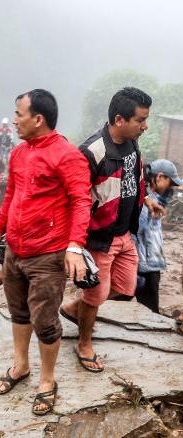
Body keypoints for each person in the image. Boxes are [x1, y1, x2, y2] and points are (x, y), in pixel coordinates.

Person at [0, 89, 91, 415]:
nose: (15, 120)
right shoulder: (19, 153)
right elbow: (11, 195)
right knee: (18, 312)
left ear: (38, 119)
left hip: (47, 255)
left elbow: (81, 201)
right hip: (15, 251)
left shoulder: (67, 155)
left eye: (19, 114)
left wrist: (74, 246)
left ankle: (47, 381)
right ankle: (21, 366)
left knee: (45, 322)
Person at [60, 87, 163, 373]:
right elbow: (77, 200)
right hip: (100, 238)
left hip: (124, 234)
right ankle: (84, 344)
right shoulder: (93, 152)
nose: (145, 126)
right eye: (140, 120)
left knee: (124, 287)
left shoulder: (132, 143)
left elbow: (134, 179)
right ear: (120, 119)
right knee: (95, 295)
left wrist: (147, 200)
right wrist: (75, 246)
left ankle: (73, 309)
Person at [134, 160, 182, 313]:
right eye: (170, 182)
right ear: (160, 177)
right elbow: (138, 233)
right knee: (149, 310)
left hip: (150, 264)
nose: (172, 188)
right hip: (144, 266)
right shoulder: (146, 201)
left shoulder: (155, 199)